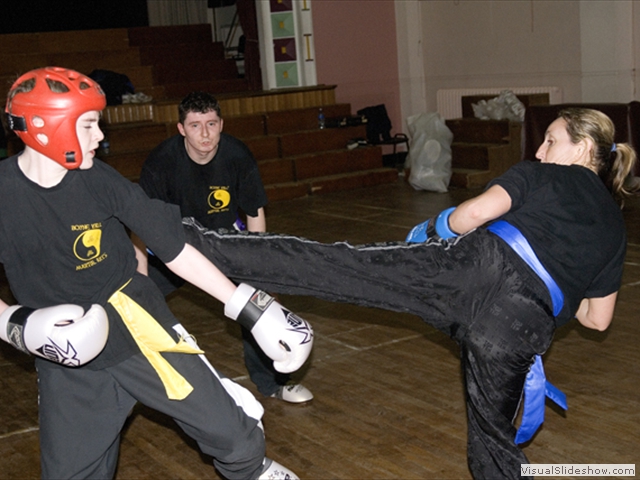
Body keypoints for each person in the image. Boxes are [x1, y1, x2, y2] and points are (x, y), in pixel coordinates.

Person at [180, 108, 636, 479]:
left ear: (583, 148)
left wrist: (433, 229)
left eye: (551, 140)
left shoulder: (544, 176)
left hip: (474, 272)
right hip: (521, 327)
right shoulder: (616, 227)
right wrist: (543, 292)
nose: (540, 150)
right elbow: (597, 319)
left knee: (337, 266)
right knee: (494, 446)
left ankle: (191, 241)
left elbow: (471, 215)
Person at [0, 66, 313, 480]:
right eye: (90, 125)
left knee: (235, 438)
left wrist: (250, 307)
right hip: (63, 354)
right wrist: (12, 323)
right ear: (46, 126)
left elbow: (174, 246)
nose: (100, 137)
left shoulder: (97, 179)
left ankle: (256, 472)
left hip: (138, 329)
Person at [132, 91, 313, 404]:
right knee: (130, 306)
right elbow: (141, 225)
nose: (204, 134)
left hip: (224, 244)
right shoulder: (160, 163)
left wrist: (258, 267)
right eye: (195, 125)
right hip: (174, 248)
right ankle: (124, 383)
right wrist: (141, 277)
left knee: (258, 305)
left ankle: (275, 384)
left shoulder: (236, 155)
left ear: (221, 125)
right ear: (180, 129)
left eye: (211, 124)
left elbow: (254, 212)